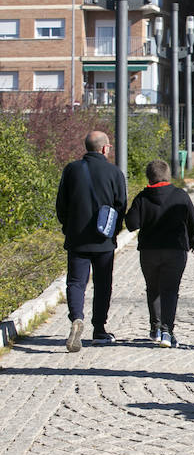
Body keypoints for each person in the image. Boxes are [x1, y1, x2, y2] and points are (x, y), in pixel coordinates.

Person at [56, 130, 127, 352]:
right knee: (103, 283)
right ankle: (99, 330)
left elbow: (61, 204)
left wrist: (68, 227)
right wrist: (113, 231)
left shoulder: (71, 170)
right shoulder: (114, 172)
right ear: (105, 148)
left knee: (76, 282)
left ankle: (76, 318)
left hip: (77, 238)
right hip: (103, 240)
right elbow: (121, 205)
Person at [124, 160, 194, 348]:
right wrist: (193, 240)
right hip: (175, 250)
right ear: (167, 175)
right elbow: (191, 220)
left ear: (149, 177)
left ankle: (155, 328)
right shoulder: (180, 195)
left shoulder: (142, 197)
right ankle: (167, 331)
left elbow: (132, 224)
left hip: (149, 251)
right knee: (170, 290)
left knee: (153, 288)